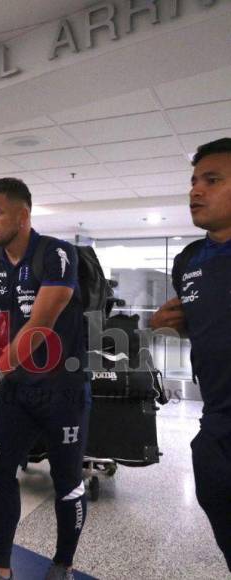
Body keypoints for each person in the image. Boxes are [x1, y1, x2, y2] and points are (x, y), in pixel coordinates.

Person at [0, 178, 89, 580]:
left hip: (62, 389)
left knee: (67, 482)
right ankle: (0, 567)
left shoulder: (57, 254)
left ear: (23, 214)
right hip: (17, 392)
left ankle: (63, 564)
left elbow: (41, 324)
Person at [151, 137, 231, 572]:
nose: (196, 190)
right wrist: (172, 325)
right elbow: (203, 323)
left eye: (212, 180)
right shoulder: (188, 259)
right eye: (195, 181)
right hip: (217, 419)